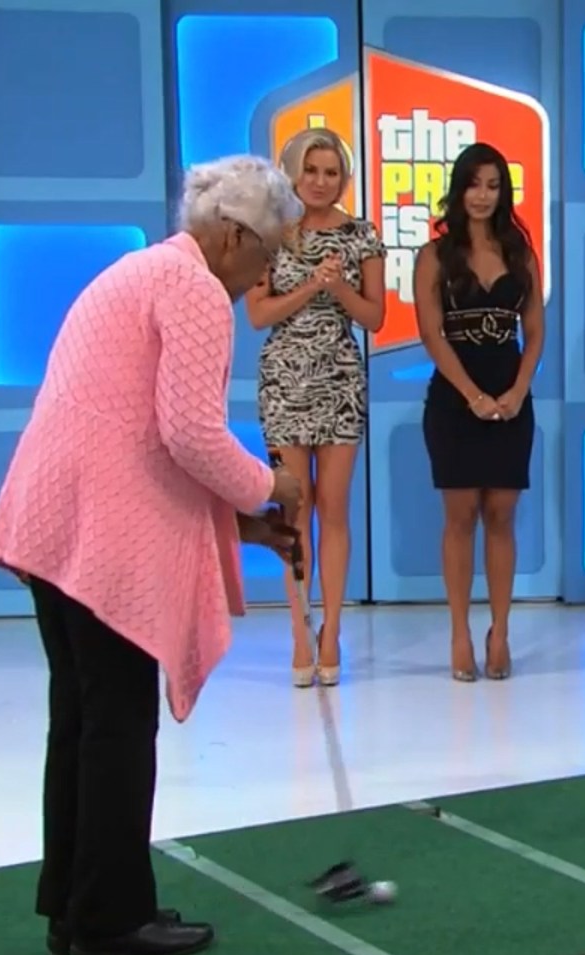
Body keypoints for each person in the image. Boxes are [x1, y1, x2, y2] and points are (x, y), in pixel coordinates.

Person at [0, 155, 307, 955]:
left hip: (54, 525)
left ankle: (78, 905)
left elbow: (142, 431)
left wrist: (249, 525)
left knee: (84, 723)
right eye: (267, 253)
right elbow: (189, 434)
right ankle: (112, 921)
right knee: (119, 725)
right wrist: (274, 483)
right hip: (101, 537)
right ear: (233, 236)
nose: (264, 273)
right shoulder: (194, 288)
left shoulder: (136, 270)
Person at [246, 127, 386, 688]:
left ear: (343, 178)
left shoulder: (362, 236)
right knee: (294, 511)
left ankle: (331, 632)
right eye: (311, 171)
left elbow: (373, 317)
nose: (321, 182)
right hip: (284, 383)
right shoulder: (271, 237)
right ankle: (301, 635)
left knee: (334, 508)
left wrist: (338, 287)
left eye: (331, 172)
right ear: (292, 174)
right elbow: (258, 314)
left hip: (340, 380)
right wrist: (311, 287)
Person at [414, 142, 545, 682]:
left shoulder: (521, 253)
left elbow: (534, 331)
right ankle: (459, 634)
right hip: (454, 398)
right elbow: (431, 332)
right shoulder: (435, 256)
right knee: (460, 516)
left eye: (493, 186)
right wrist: (471, 395)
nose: (482, 196)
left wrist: (516, 391)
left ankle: (501, 632)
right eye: (473, 184)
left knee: (501, 516)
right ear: (458, 190)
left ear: (503, 192)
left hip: (510, 395)